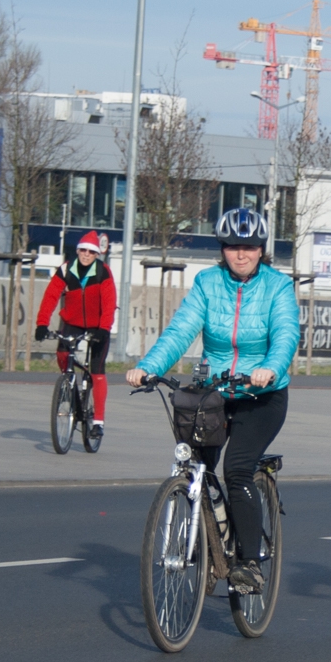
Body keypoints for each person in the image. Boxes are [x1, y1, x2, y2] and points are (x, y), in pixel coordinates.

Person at [125, 208, 298, 592]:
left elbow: (286, 334)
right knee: (196, 465)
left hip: (261, 395)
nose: (241, 254)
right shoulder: (207, 283)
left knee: (237, 469)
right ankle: (209, 542)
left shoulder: (278, 287)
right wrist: (149, 367)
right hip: (215, 392)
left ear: (261, 249)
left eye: (249, 247)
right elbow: (180, 331)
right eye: (233, 247)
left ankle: (249, 563)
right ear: (222, 249)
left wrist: (270, 368)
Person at [35, 231, 117, 440]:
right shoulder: (65, 270)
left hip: (98, 326)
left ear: (97, 254)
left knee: (97, 371)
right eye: (83, 250)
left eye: (91, 252)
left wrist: (104, 328)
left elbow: (109, 303)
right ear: (78, 250)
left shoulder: (103, 272)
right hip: (72, 323)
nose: (86, 254)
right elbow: (51, 296)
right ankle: (68, 385)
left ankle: (98, 421)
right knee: (63, 354)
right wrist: (42, 324)